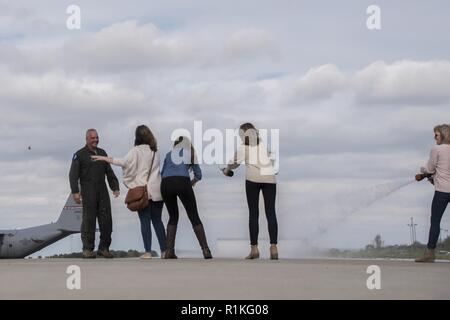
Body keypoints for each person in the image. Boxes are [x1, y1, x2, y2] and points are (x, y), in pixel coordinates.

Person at [92, 125, 167, 259]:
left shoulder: (136, 151)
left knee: (145, 221)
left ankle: (148, 252)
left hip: (143, 191)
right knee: (157, 221)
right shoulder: (155, 151)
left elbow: (123, 162)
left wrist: (105, 158)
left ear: (137, 137)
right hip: (157, 190)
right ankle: (164, 251)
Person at [223, 123, 279, 260]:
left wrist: (226, 170)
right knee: (270, 212)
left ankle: (254, 249)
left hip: (253, 179)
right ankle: (274, 248)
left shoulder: (243, 148)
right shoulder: (262, 145)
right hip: (270, 178)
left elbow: (234, 163)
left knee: (253, 214)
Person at [69, 129, 120, 259]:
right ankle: (87, 249)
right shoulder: (79, 155)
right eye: (92, 138)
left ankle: (104, 248)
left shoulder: (102, 153)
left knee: (106, 220)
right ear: (86, 139)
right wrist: (75, 192)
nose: (95, 140)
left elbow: (108, 170)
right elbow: (73, 175)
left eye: (97, 137)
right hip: (88, 190)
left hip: (102, 190)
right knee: (88, 220)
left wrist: (115, 186)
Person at [161, 136, 212, 259]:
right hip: (182, 181)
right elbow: (198, 174)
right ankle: (205, 250)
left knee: (173, 217)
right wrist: (192, 182)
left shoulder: (169, 154)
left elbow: (163, 173)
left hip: (166, 184)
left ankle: (169, 251)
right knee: (193, 216)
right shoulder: (190, 154)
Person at [415, 124, 450, 263]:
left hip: (442, 191)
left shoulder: (437, 149)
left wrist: (422, 172)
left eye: (436, 135)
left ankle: (430, 253)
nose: (434, 137)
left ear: (443, 135)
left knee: (435, 221)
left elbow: (429, 169)